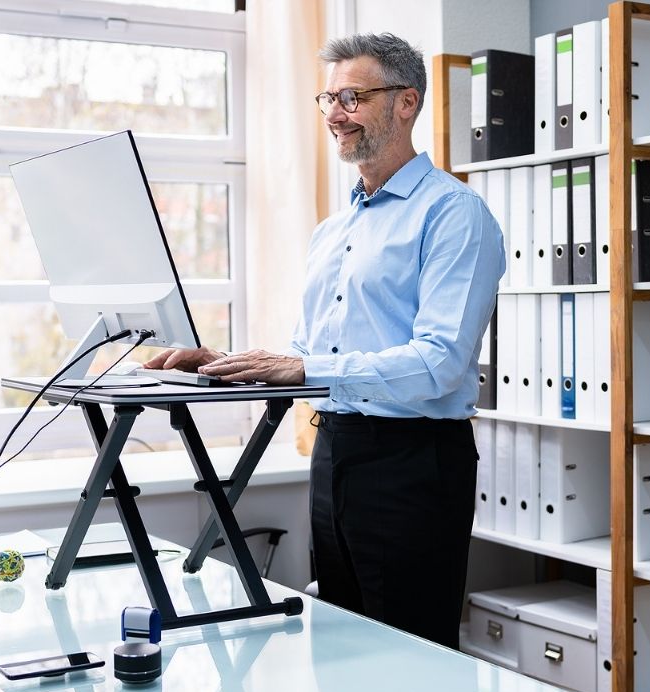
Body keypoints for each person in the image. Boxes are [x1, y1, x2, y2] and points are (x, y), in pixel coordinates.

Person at [145, 32, 504, 649]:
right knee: (338, 651)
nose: (335, 114)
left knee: (409, 660)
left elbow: (440, 364)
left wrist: (299, 366)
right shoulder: (332, 230)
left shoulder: (453, 214)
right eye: (328, 98)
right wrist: (232, 361)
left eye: (352, 97)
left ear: (406, 102)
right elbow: (314, 354)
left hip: (412, 463)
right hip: (334, 453)